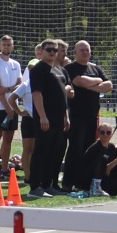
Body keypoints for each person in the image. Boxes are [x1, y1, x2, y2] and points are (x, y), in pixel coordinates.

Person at [26, 39, 70, 198]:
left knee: (55, 153)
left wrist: (66, 116)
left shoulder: (59, 70)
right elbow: (36, 94)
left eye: (55, 50)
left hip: (59, 120)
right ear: (42, 51)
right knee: (41, 152)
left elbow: (64, 95)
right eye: (49, 49)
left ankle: (48, 184)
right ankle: (35, 187)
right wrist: (43, 117)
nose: (52, 52)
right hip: (45, 120)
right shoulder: (38, 69)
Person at [63, 40, 109, 193]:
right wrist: (97, 83)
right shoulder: (70, 68)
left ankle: (83, 182)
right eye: (81, 50)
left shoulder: (95, 68)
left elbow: (108, 85)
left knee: (90, 149)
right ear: (75, 53)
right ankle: (68, 181)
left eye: (87, 50)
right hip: (77, 116)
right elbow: (79, 81)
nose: (85, 52)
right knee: (76, 148)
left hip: (92, 116)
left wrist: (90, 84)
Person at [0, 33, 27, 179]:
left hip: (13, 106)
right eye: (4, 44)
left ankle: (5, 168)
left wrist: (9, 89)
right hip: (0, 107)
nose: (6, 47)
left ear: (12, 47)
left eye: (8, 44)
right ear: (0, 46)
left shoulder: (16, 64)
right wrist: (7, 107)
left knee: (8, 138)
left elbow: (20, 83)